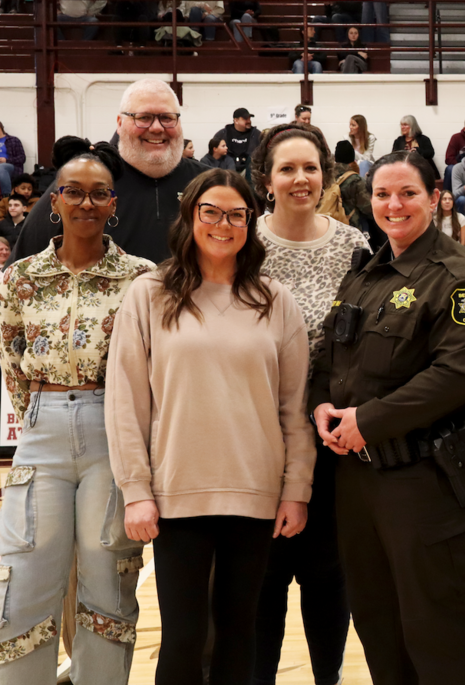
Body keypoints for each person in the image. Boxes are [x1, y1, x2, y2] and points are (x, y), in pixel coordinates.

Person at [106, 168, 315, 685]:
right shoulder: (148, 294)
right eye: (211, 212)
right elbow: (126, 401)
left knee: (239, 631)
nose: (224, 224)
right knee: (182, 636)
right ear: (190, 217)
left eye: (237, 215)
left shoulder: (275, 300)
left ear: (251, 222)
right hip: (177, 493)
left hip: (255, 493)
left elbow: (295, 406)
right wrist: (136, 490)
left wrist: (296, 490)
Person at [309, 149, 465, 684]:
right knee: (377, 624)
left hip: (425, 482)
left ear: (435, 198)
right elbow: (329, 358)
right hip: (357, 483)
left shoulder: (459, 276)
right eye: (383, 194)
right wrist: (320, 404)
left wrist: (367, 420)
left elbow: (457, 375)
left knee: (436, 628)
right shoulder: (366, 274)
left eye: (408, 193)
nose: (394, 205)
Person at [0, 138, 154, 685]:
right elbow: (11, 356)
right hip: (40, 431)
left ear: (114, 203)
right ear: (54, 200)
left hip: (110, 433)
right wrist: (40, 412)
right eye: (74, 193)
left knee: (108, 580)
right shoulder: (20, 278)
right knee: (22, 580)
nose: (86, 203)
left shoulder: (142, 278)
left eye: (99, 194)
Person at [249, 122, 368, 685]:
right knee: (260, 586)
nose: (301, 179)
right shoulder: (239, 242)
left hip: (331, 441)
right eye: (287, 168)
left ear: (327, 174)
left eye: (311, 168)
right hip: (252, 441)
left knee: (328, 580)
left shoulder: (355, 246)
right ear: (266, 179)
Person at [12, 79, 206, 265]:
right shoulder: (83, 182)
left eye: (167, 118)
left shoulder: (209, 183)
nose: (156, 128)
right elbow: (22, 266)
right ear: (120, 123)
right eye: (143, 118)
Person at [326, 140, 381, 249]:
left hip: (329, 226)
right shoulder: (355, 181)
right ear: (352, 160)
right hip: (353, 229)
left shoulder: (327, 177)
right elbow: (368, 208)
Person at [212, 106, 261, 174]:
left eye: (249, 119)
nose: (249, 121)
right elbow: (214, 154)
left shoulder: (256, 134)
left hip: (249, 172)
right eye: (245, 119)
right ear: (236, 120)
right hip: (227, 171)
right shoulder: (223, 134)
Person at [0, 120, 26, 197]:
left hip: (10, 167)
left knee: (1, 167)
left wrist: (6, 160)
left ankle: (7, 196)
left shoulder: (13, 140)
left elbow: (22, 158)